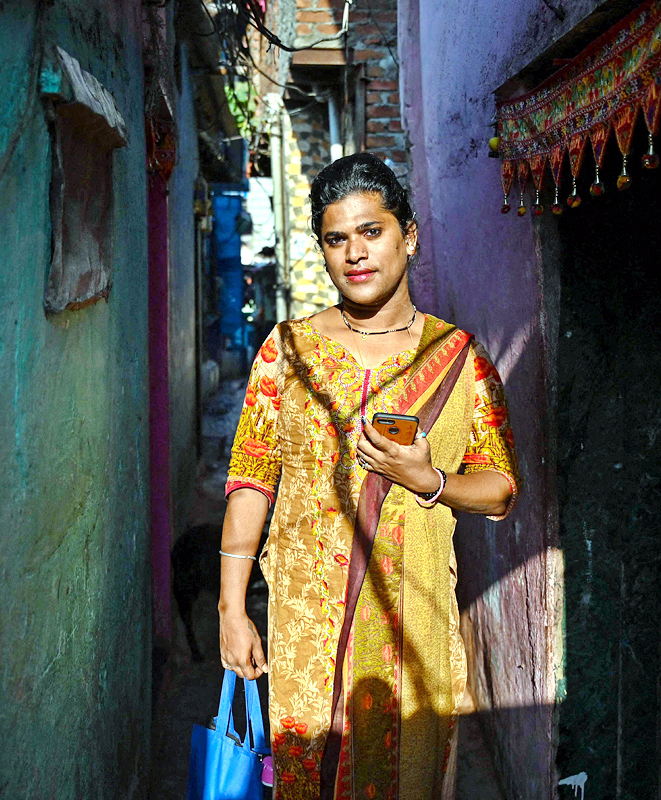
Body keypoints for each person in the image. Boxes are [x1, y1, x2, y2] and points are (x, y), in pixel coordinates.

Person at [217, 152, 519, 799]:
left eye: (371, 231)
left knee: (407, 780)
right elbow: (251, 480)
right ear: (323, 252)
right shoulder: (287, 352)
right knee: (307, 781)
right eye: (336, 238)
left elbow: (498, 488)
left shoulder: (457, 359)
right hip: (306, 632)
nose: (355, 252)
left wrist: (430, 478)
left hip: (414, 627)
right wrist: (231, 607)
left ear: (407, 236)